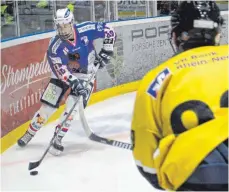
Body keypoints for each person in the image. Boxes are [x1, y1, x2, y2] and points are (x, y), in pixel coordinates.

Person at [131, 1, 228, 191]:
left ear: (176, 36)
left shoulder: (157, 79)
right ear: (217, 33)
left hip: (200, 179)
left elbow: (146, 162)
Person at [17, 8, 116, 156]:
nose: (63, 30)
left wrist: (107, 50)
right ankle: (30, 132)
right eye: (60, 26)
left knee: (72, 107)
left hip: (85, 75)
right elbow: (60, 70)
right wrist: (73, 82)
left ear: (72, 23)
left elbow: (109, 29)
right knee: (47, 108)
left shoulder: (85, 29)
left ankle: (57, 138)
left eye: (65, 25)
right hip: (61, 76)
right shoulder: (54, 46)